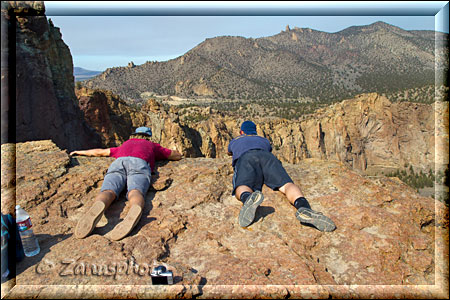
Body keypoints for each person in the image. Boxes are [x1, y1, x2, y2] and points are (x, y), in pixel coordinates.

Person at [70, 126, 182, 240]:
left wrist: (79, 152)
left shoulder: (124, 145)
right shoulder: (152, 145)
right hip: (139, 164)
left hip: (119, 162)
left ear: (135, 134)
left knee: (109, 190)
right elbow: (174, 155)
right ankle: (135, 207)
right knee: (135, 191)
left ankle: (99, 204)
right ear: (148, 137)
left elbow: (100, 152)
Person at [227, 120, 336, 232]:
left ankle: (247, 198)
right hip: (267, 157)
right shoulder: (263, 140)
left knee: (243, 184)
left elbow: (230, 152)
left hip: (246, 158)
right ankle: (303, 207)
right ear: (255, 131)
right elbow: (268, 149)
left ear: (241, 132)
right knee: (286, 185)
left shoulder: (236, 140)